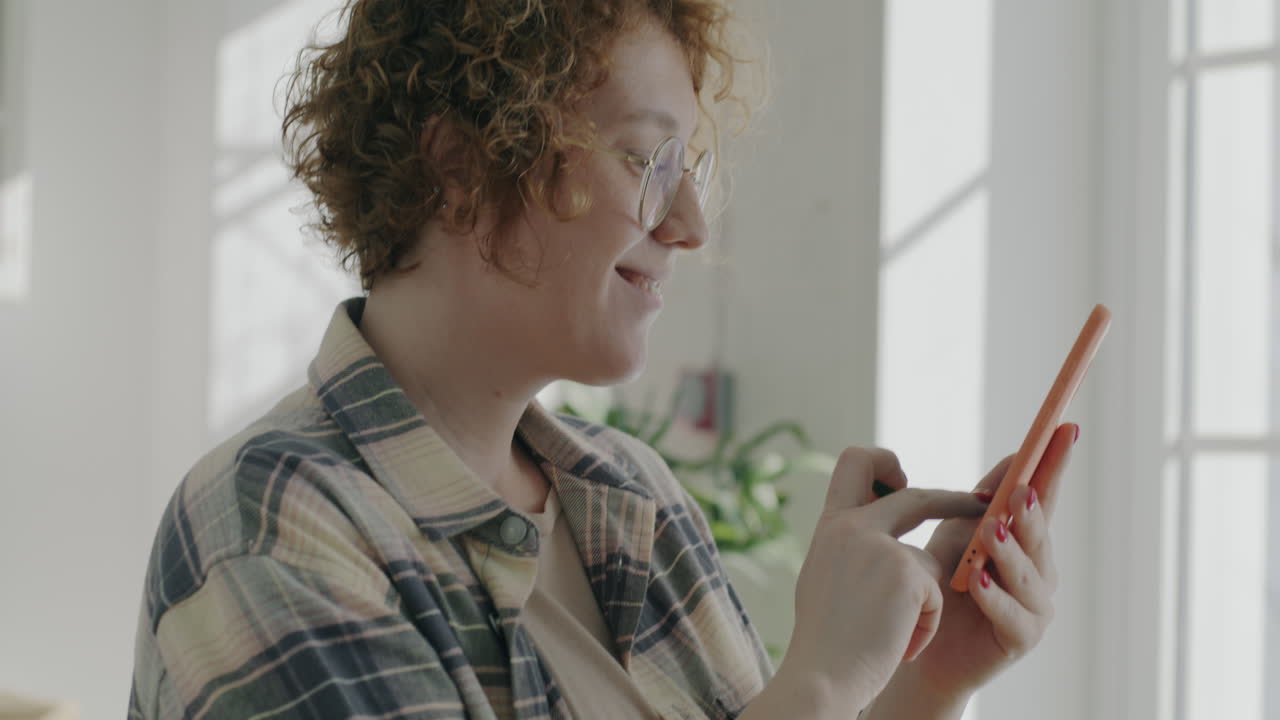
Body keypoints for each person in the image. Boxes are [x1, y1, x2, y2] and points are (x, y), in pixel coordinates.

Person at [129, 1, 1076, 718]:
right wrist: (820, 684)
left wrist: (919, 683)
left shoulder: (635, 498)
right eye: (645, 160)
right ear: (461, 167)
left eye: (688, 170)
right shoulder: (269, 533)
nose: (690, 225)